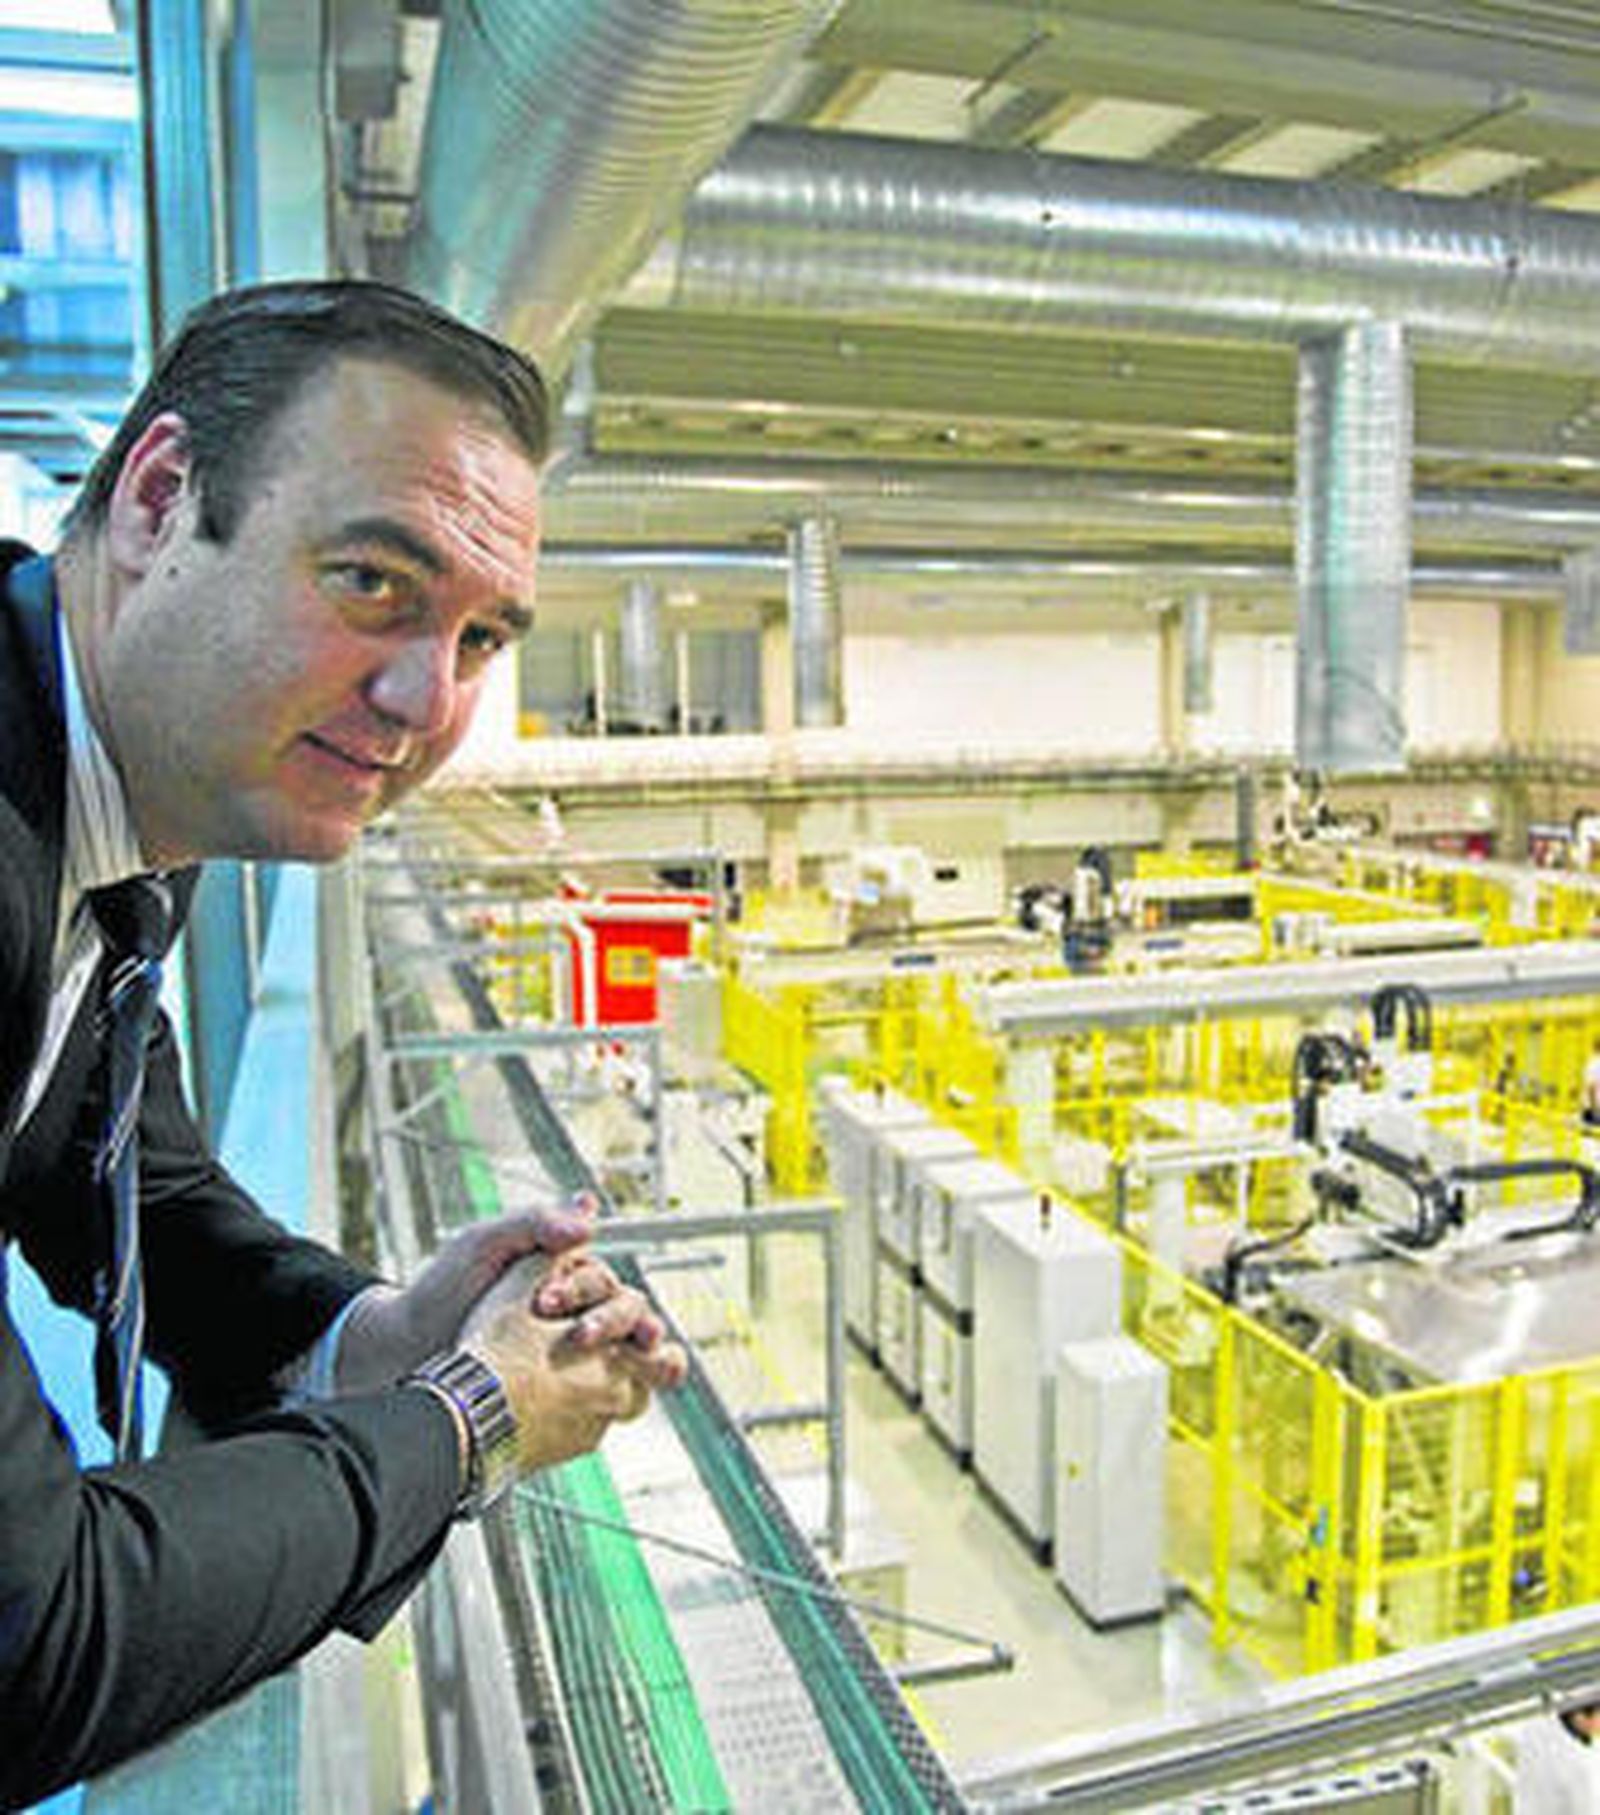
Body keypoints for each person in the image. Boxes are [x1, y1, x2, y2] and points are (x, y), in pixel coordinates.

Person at [0, 279, 687, 1809]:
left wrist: (370, 1335)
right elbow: (26, 1641)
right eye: (373, 582)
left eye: (482, 636)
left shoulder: (119, 778)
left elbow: (126, 1175)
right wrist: (467, 1422)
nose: (421, 702)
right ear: (163, 500)